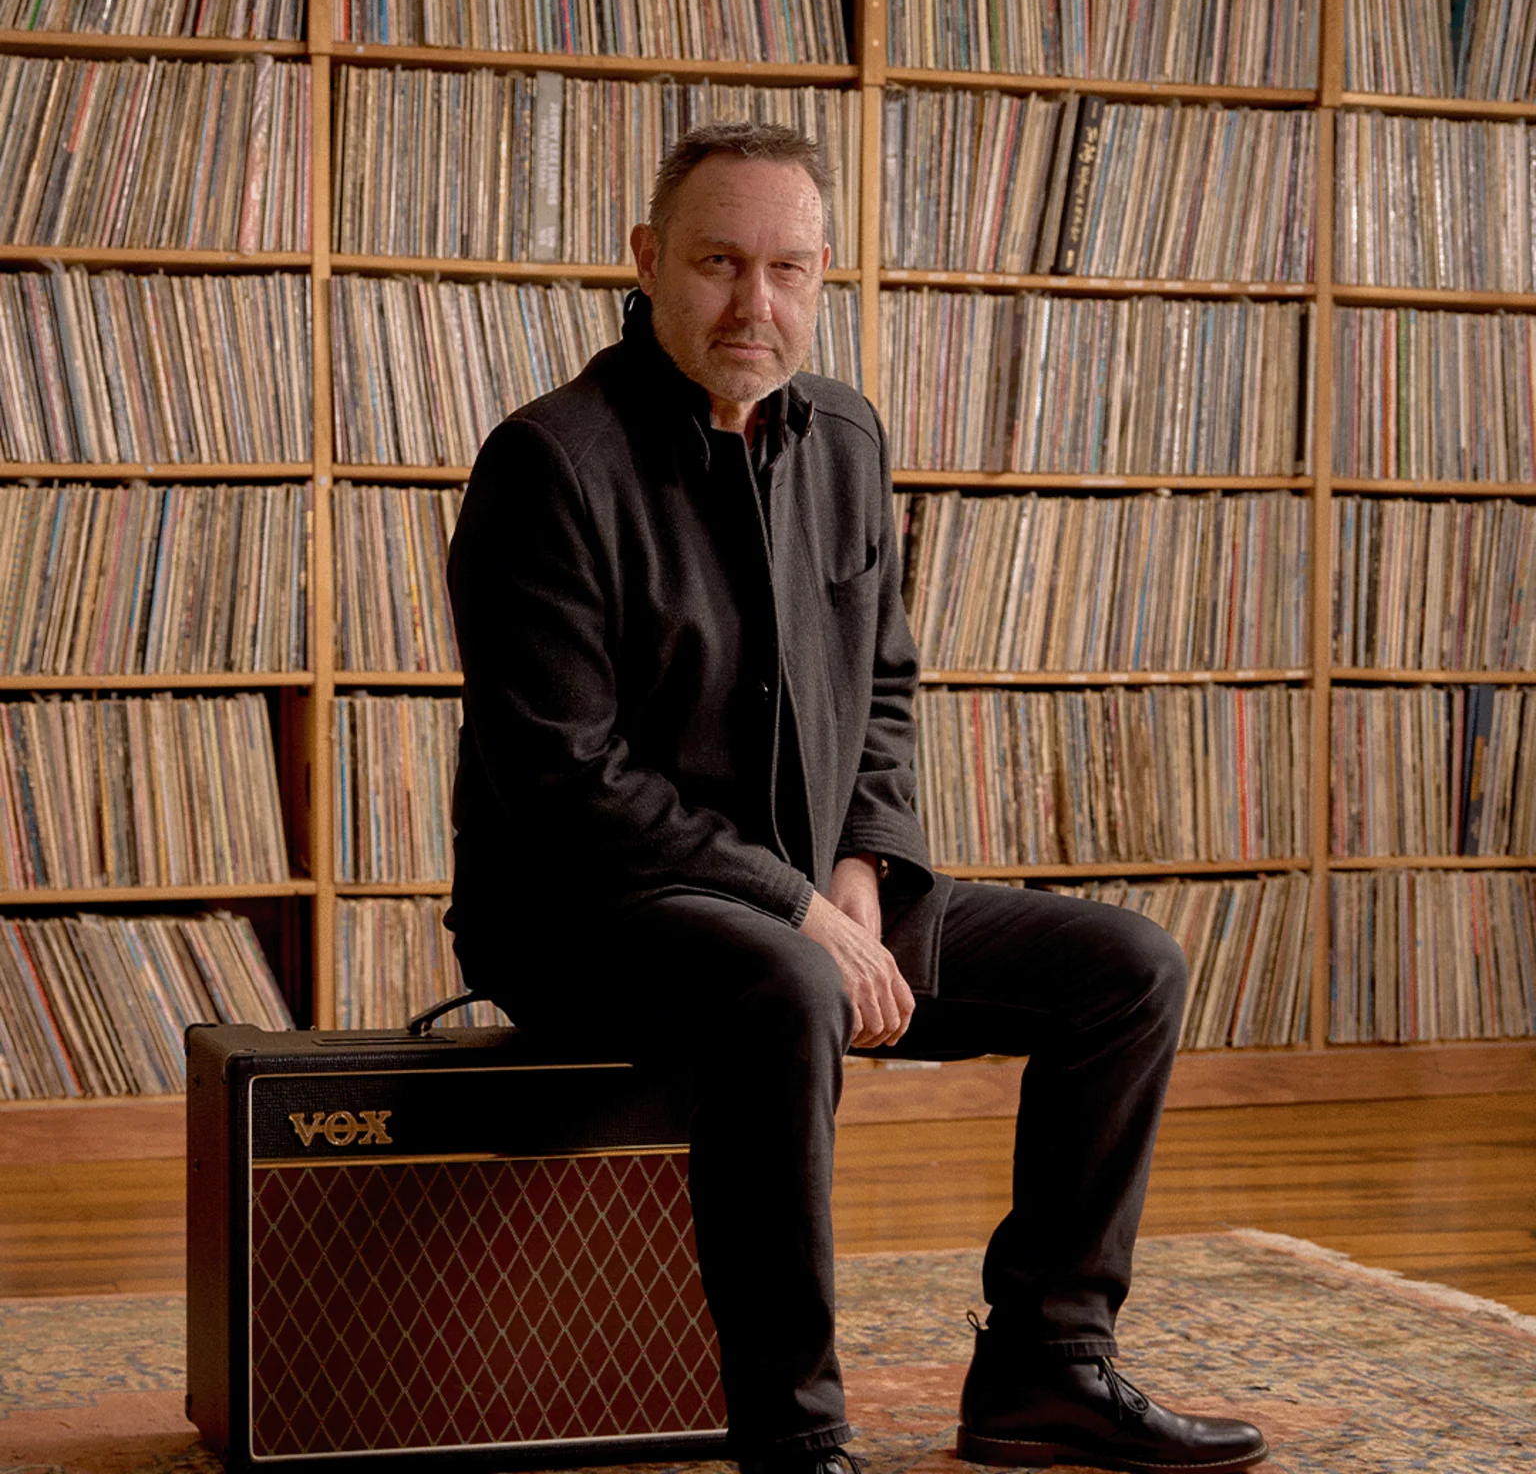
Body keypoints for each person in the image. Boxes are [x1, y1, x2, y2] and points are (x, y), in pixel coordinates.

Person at [445, 122, 1269, 1474]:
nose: (752, 304)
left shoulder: (846, 437)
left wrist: (859, 878)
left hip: (814, 898)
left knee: (1126, 967)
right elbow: (563, 775)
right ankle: (796, 1435)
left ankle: (1045, 1367)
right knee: (790, 988)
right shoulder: (550, 464)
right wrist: (793, 912)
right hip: (589, 915)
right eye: (717, 263)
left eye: (787, 269)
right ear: (647, 261)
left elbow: (884, 683)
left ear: (825, 276)